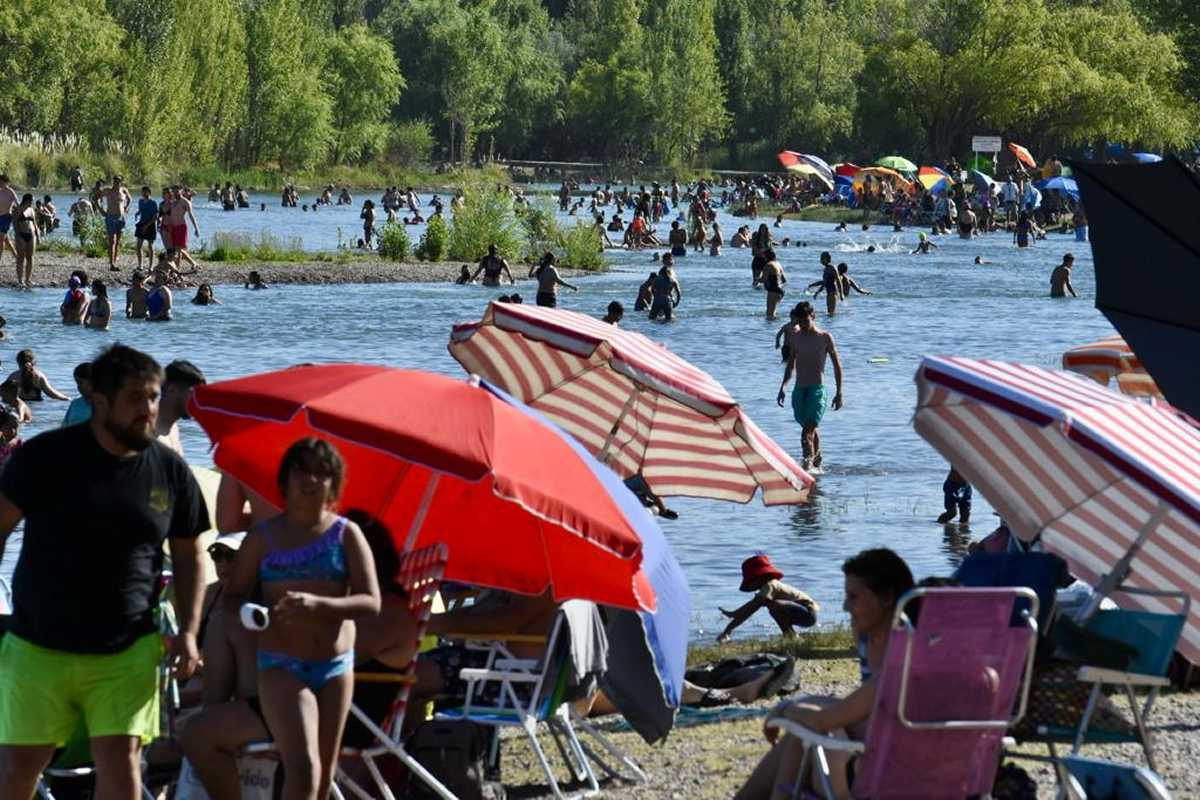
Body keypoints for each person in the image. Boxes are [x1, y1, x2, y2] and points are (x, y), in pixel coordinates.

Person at [0, 345, 209, 800]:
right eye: (135, 398)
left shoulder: (169, 470)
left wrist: (190, 631)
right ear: (100, 401)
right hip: (39, 644)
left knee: (122, 764)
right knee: (19, 768)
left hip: (128, 647)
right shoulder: (44, 458)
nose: (148, 409)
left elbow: (190, 554)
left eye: (153, 397)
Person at [218, 438, 380, 800]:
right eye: (301, 470)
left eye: (321, 473)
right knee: (304, 770)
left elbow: (371, 602)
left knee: (322, 781)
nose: (310, 480)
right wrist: (251, 615)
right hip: (281, 666)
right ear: (285, 480)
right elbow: (232, 596)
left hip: (336, 667)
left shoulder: (346, 534)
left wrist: (320, 606)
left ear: (334, 484)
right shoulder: (262, 538)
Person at [734, 549, 915, 800]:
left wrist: (785, 710)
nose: (845, 606)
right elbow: (858, 708)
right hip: (912, 772)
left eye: (853, 597)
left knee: (801, 730)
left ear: (885, 598)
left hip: (871, 781)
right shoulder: (928, 656)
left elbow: (827, 718)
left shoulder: (897, 671)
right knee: (801, 735)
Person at [777, 302, 843, 471]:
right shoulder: (796, 338)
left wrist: (839, 393)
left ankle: (807, 470)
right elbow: (791, 365)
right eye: (800, 322)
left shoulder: (825, 337)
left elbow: (837, 366)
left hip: (817, 391)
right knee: (810, 429)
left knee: (806, 434)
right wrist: (783, 387)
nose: (803, 325)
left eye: (806, 320)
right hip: (799, 391)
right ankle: (817, 463)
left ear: (813, 317)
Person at [717, 554, 819, 642]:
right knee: (773, 605)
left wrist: (734, 617)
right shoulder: (766, 590)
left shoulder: (770, 585)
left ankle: (790, 636)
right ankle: (791, 635)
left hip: (808, 614)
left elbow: (751, 608)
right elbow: (749, 609)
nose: (750, 584)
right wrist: (729, 627)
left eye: (751, 580)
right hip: (800, 614)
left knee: (775, 605)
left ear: (759, 577)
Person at [156, 360, 207, 456]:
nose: (198, 401)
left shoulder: (173, 429)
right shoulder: (146, 432)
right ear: (172, 390)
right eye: (194, 393)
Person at [166, 186, 201, 269]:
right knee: (176, 249)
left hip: (181, 227)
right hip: (173, 227)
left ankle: (179, 268)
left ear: (181, 191)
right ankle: (181, 266)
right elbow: (169, 215)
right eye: (174, 191)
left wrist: (196, 228)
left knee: (179, 249)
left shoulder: (185, 202)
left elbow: (191, 215)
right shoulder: (173, 202)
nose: (175, 193)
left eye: (177, 191)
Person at [104, 175, 133, 271]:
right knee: (112, 240)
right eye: (115, 181)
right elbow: (95, 197)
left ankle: (114, 261)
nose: (116, 182)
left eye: (118, 181)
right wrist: (100, 209)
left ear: (121, 182)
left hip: (121, 217)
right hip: (110, 217)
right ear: (113, 181)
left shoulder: (123, 190)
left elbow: (130, 199)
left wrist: (127, 207)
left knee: (118, 241)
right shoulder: (108, 190)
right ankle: (111, 264)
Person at [11, 193, 37, 288]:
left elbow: (35, 223)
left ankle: (28, 279)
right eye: (32, 201)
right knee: (20, 258)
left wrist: (37, 235)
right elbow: (14, 223)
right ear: (27, 200)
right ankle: (20, 280)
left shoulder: (32, 210)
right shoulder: (17, 209)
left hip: (32, 235)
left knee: (30, 257)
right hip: (21, 235)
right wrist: (18, 235)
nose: (33, 202)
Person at [649, 255, 682, 322]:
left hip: (658, 299)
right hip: (668, 299)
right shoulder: (672, 280)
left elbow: (652, 289)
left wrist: (656, 296)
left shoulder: (657, 279)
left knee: (652, 318)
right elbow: (678, 292)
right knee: (669, 319)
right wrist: (676, 302)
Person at [134, 186, 158, 270]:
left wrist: (147, 226)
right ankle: (140, 265)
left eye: (146, 192)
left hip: (150, 225)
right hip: (141, 224)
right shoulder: (140, 201)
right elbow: (141, 210)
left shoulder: (153, 203)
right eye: (143, 192)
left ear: (149, 193)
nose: (144, 193)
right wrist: (137, 213)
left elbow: (155, 217)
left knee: (150, 246)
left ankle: (151, 266)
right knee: (138, 246)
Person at [760, 249, 786, 320]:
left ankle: (772, 326)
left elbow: (763, 279)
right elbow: (784, 280)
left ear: (766, 257)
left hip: (773, 291)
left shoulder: (768, 265)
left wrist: (757, 279)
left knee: (769, 314)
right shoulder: (778, 264)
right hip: (780, 291)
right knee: (773, 313)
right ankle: (776, 324)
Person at [0, 175, 18, 265]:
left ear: (5, 182)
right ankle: (17, 257)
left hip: (6, 217)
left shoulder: (10, 192)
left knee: (1, 239)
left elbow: (18, 204)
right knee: (5, 240)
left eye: (1, 182)